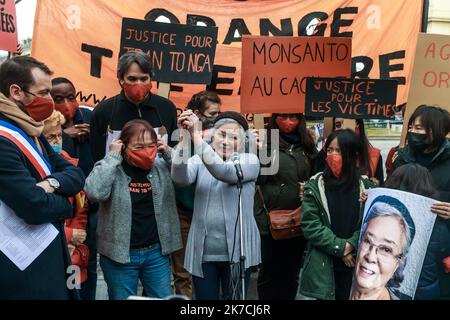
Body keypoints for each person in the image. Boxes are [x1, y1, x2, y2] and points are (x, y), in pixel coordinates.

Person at [0, 56, 85, 299]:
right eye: (44, 92)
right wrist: (67, 203)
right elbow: (33, 205)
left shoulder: (31, 129)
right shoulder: (5, 137)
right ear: (16, 91)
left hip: (49, 253)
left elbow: (74, 173)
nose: (50, 101)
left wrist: (51, 183)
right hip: (25, 267)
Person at [84, 119, 182, 300]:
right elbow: (95, 192)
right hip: (119, 256)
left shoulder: (162, 167)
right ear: (123, 147)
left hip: (156, 254)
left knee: (162, 297)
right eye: (138, 147)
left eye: (151, 145)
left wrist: (168, 152)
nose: (146, 151)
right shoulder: (111, 167)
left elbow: (186, 176)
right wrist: (112, 157)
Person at [171, 110, 261, 300]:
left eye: (234, 137)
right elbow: (179, 178)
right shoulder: (199, 159)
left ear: (244, 141)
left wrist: (196, 136)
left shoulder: (249, 160)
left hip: (238, 252)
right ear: (212, 136)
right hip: (203, 254)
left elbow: (223, 172)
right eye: (221, 134)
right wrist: (185, 139)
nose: (226, 141)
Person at [299, 129, 376, 300]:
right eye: (330, 150)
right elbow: (311, 225)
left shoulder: (367, 187)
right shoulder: (316, 185)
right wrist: (341, 248)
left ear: (353, 154)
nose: (333, 155)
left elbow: (371, 224)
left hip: (357, 262)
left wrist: (351, 245)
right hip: (324, 262)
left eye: (339, 150)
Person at [253, 113, 316, 300]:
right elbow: (260, 179)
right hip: (269, 221)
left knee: (291, 273)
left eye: (294, 117)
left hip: (298, 220)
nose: (288, 122)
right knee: (269, 273)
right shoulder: (264, 143)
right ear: (274, 118)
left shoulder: (308, 147)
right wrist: (259, 151)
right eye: (283, 117)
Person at [393, 105, 450, 298]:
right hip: (399, 246)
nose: (412, 132)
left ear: (437, 131)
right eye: (411, 127)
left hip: (437, 252)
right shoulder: (401, 158)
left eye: (419, 128)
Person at [171, 91, 222, 298]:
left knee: (210, 268)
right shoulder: (183, 139)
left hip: (211, 213)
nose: (216, 119)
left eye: (219, 114)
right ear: (197, 115)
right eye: (212, 114)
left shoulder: (222, 139)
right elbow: (179, 175)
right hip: (184, 213)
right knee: (183, 271)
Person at [51, 76, 97, 300]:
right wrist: (64, 137)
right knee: (65, 261)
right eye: (58, 98)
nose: (67, 102)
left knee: (86, 259)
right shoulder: (47, 123)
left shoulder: (88, 116)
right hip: (63, 204)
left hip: (89, 203)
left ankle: (85, 296)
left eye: (71, 96)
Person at [90, 51, 178, 164]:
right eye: (132, 79)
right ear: (121, 79)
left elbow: (174, 153)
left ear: (151, 78)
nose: (138, 84)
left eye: (144, 79)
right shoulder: (103, 111)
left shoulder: (166, 108)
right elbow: (97, 157)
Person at [384, 163, 450, 299]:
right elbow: (445, 251)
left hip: (388, 289)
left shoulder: (382, 219)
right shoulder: (438, 226)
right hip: (425, 292)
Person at [43, 110, 90, 287]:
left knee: (72, 289)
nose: (57, 142)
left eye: (59, 136)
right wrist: (68, 235)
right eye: (50, 138)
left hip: (72, 251)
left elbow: (82, 204)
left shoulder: (70, 165)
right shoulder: (30, 167)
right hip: (46, 251)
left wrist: (76, 233)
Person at [350, 195, 415, 300]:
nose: (370, 257)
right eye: (367, 241)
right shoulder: (333, 288)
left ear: (398, 264)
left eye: (386, 249)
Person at [314, 118, 383, 185]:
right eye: (337, 125)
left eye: (347, 124)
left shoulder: (374, 156)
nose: (342, 129)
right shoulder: (324, 154)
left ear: (357, 126)